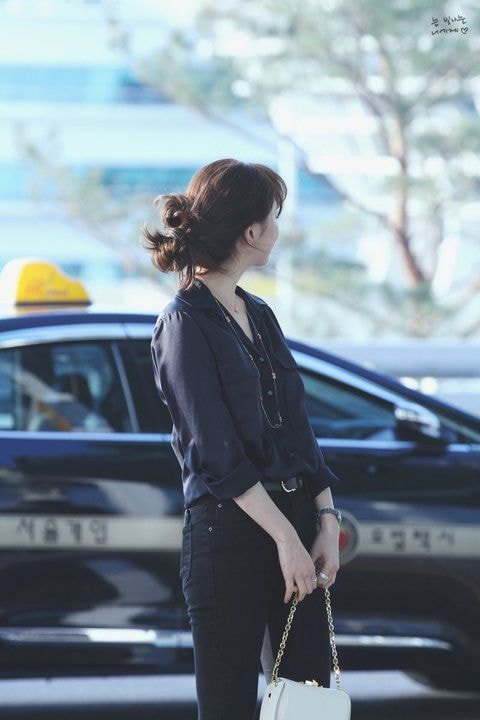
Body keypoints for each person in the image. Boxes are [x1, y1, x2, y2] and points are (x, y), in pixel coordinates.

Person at [142, 158, 342, 720]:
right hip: (228, 532)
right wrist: (285, 540)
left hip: (295, 520)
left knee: (306, 702)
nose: (278, 229)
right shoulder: (183, 323)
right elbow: (215, 454)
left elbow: (298, 427)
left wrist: (326, 520)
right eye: (274, 217)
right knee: (228, 704)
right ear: (250, 232)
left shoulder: (259, 312)